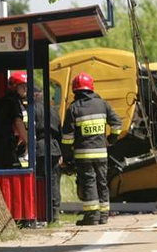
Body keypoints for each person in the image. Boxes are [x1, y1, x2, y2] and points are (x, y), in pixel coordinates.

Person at [61, 72, 122, 226]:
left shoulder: (73, 109)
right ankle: (103, 215)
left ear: (75, 90)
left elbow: (67, 138)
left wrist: (67, 157)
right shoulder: (102, 104)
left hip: (83, 155)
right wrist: (110, 140)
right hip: (101, 153)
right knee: (102, 182)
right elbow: (117, 124)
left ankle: (92, 216)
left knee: (89, 183)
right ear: (91, 88)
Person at [0, 71, 29, 169]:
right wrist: (28, 141)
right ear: (14, 86)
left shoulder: (3, 102)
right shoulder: (13, 102)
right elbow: (18, 122)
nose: (25, 89)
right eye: (22, 86)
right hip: (4, 147)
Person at [33, 84, 63, 221]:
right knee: (54, 182)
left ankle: (41, 213)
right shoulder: (53, 110)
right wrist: (61, 152)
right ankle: (55, 213)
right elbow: (60, 132)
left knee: (40, 181)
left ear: (34, 95)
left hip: (40, 148)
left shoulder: (33, 108)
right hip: (55, 148)